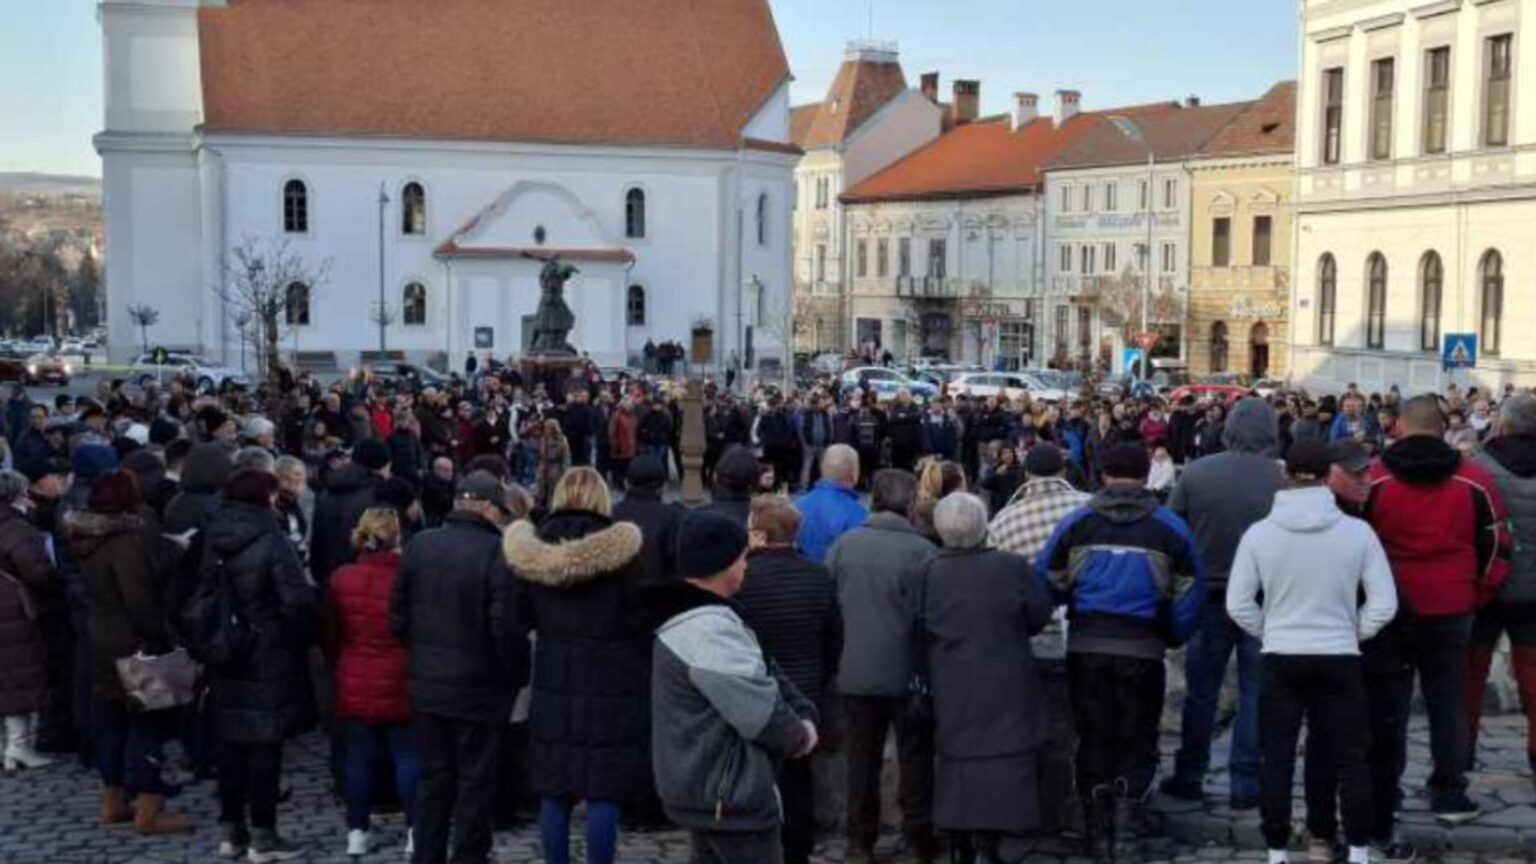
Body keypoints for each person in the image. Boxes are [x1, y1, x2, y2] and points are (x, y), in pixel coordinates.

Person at [1226, 438, 1398, 864]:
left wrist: (1270, 631)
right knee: (1351, 758)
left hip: (1281, 654)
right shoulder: (1357, 532)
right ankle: (1358, 852)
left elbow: (1238, 603)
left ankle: (1277, 851)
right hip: (1339, 655)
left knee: (1277, 759)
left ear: (1285, 474)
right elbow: (1385, 602)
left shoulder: (1260, 534)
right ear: (1328, 476)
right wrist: (1354, 632)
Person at [1036, 444, 1204, 863]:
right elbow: (1190, 594)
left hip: (1087, 644)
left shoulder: (1077, 524)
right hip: (1144, 648)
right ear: (1147, 475)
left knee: (1093, 736)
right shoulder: (1170, 528)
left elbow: (1046, 580)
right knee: (1138, 737)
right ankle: (1128, 831)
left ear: (1103, 474)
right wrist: (1172, 634)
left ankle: (1097, 829)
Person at [1365, 395, 1509, 828]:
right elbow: (1497, 547)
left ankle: (1384, 792)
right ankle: (1450, 792)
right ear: (1443, 427)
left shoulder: (1375, 480)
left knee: (1388, 704)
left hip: (1389, 606)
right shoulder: (1474, 480)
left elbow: (1355, 545)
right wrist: (1476, 594)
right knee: (1449, 703)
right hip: (1451, 606)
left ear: (1399, 428)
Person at [649, 510, 819, 864]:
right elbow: (758, 713)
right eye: (742, 557)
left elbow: (767, 673)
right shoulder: (707, 630)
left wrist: (802, 710)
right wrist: (799, 736)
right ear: (723, 563)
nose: (746, 566)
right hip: (729, 795)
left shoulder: (702, 618)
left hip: (707, 788)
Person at [504, 467, 647, 864]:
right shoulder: (625, 553)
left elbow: (519, 615)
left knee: (556, 786)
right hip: (611, 678)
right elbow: (639, 617)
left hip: (553, 674)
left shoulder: (532, 552)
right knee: (604, 787)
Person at [391, 471, 526, 864]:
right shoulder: (495, 552)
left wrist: (421, 655)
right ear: (487, 507)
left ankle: (428, 854)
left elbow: (397, 616)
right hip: (478, 687)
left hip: (429, 684)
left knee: (435, 777)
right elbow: (506, 628)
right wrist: (514, 674)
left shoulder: (421, 545)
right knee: (475, 780)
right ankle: (469, 855)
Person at [1161, 398, 1284, 809]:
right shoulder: (1281, 482)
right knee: (1256, 693)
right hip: (1263, 600)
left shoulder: (1197, 473)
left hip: (1208, 594)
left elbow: (1172, 533)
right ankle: (1246, 783)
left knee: (1202, 692)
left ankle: (1189, 773)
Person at [918, 493, 1052, 863]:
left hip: (951, 680)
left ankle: (961, 842)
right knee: (1004, 761)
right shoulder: (1010, 568)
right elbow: (1038, 616)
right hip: (1005, 675)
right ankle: (990, 843)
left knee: (958, 761)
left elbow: (917, 627)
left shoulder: (929, 572)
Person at [192, 466, 317, 862]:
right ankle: (263, 834)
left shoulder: (210, 533)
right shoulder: (270, 538)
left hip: (223, 648)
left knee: (230, 742)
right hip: (267, 650)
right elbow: (296, 601)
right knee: (264, 744)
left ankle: (231, 830)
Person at [66, 469, 190, 834]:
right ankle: (149, 806)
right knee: (148, 723)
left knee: (110, 722)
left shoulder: (84, 536)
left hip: (98, 637)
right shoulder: (126, 541)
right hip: (132, 640)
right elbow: (138, 599)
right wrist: (160, 637)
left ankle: (114, 799)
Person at [825, 469, 939, 864]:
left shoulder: (843, 546)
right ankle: (917, 838)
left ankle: (859, 841)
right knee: (916, 759)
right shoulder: (923, 552)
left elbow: (829, 610)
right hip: (909, 675)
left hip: (855, 670)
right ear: (910, 506)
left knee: (861, 760)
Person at [985, 443, 1090, 837]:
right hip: (1081, 635)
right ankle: (1074, 812)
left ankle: (1032, 811)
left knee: (1030, 730)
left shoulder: (1005, 519)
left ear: (1026, 474)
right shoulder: (1087, 508)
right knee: (1079, 729)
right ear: (1062, 468)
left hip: (1027, 643)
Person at [736, 497, 843, 864]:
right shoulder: (818, 576)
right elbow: (834, 640)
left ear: (760, 535)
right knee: (798, 779)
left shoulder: (744, 576)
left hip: (754, 688)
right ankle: (798, 848)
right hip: (806, 690)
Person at [327, 508, 419, 858]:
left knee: (358, 759)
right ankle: (415, 830)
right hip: (400, 673)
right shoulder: (407, 578)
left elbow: (331, 631)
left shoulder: (341, 578)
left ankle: (357, 831)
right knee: (409, 757)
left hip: (354, 671)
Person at [1469, 393, 1536, 781]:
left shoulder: (1480, 467)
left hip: (1487, 587)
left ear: (1504, 424)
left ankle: (1462, 751)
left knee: (1471, 675)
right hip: (1533, 594)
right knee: (1533, 677)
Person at [0, 470, 54, 773]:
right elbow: (38, 572)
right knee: (19, 676)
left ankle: (6, 746)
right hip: (13, 610)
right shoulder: (16, 528)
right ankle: (19, 747)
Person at [312, 439, 392, 588]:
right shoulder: (379, 495)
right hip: (362, 583)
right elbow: (383, 548)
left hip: (326, 577)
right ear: (381, 466)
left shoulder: (327, 491)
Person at [794, 444, 867, 563]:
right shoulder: (860, 514)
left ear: (823, 468)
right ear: (854, 472)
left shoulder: (796, 507)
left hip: (802, 576)